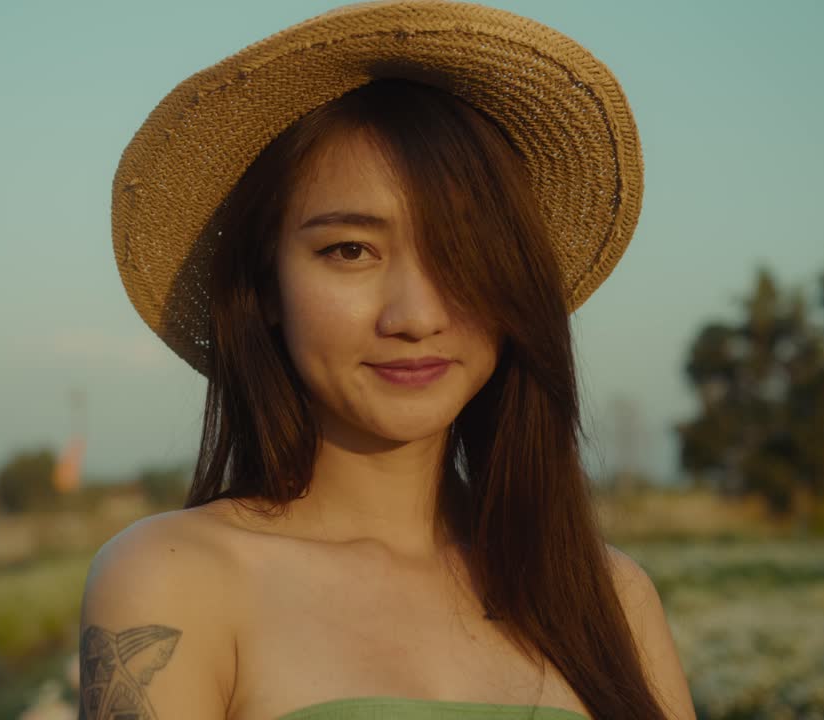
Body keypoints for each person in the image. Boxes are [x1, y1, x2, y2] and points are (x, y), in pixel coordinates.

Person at [78, 2, 695, 719]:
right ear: (266, 282)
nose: (416, 316)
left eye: (460, 253)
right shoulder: (173, 581)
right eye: (349, 251)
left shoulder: (611, 599)